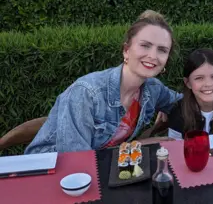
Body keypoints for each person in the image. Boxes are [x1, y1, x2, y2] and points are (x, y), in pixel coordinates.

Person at [25, 10, 182, 154]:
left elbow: (185, 102)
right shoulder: (86, 92)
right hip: (49, 169)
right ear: (126, 50)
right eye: (145, 46)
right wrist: (137, 144)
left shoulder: (153, 89)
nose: (153, 56)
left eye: (162, 50)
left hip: (103, 167)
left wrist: (196, 90)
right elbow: (75, 159)